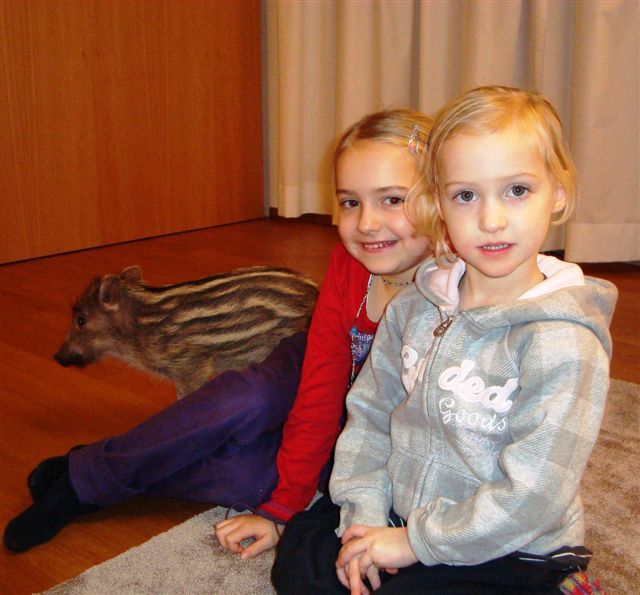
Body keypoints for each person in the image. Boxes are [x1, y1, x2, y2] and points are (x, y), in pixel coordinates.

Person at [3, 109, 434, 556]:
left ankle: (103, 464)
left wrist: (281, 505)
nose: (366, 223)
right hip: (317, 367)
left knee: (250, 479)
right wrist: (285, 507)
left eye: (392, 199)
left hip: (370, 427)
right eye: (350, 202)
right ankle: (83, 484)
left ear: (438, 199)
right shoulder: (348, 265)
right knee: (247, 399)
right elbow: (318, 395)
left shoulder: (455, 287)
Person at [272, 86, 617, 595]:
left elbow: (535, 495)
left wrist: (416, 543)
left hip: (508, 542)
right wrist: (365, 517)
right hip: (403, 509)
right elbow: (370, 416)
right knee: (302, 560)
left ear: (559, 193)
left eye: (517, 190)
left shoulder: (562, 341)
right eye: (465, 196)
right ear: (437, 205)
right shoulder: (413, 307)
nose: (491, 219)